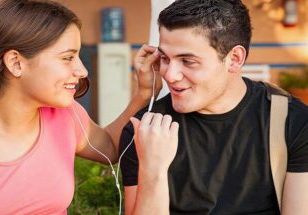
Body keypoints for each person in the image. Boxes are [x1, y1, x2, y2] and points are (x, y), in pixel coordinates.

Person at [0, 0, 176, 214]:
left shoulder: (65, 115)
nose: (82, 70)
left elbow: (111, 147)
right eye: (67, 58)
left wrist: (145, 92)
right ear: (16, 63)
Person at [119, 0, 308, 214]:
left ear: (234, 59)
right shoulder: (146, 131)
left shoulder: (292, 123)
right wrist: (153, 170)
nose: (170, 75)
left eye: (188, 61)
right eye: (164, 58)